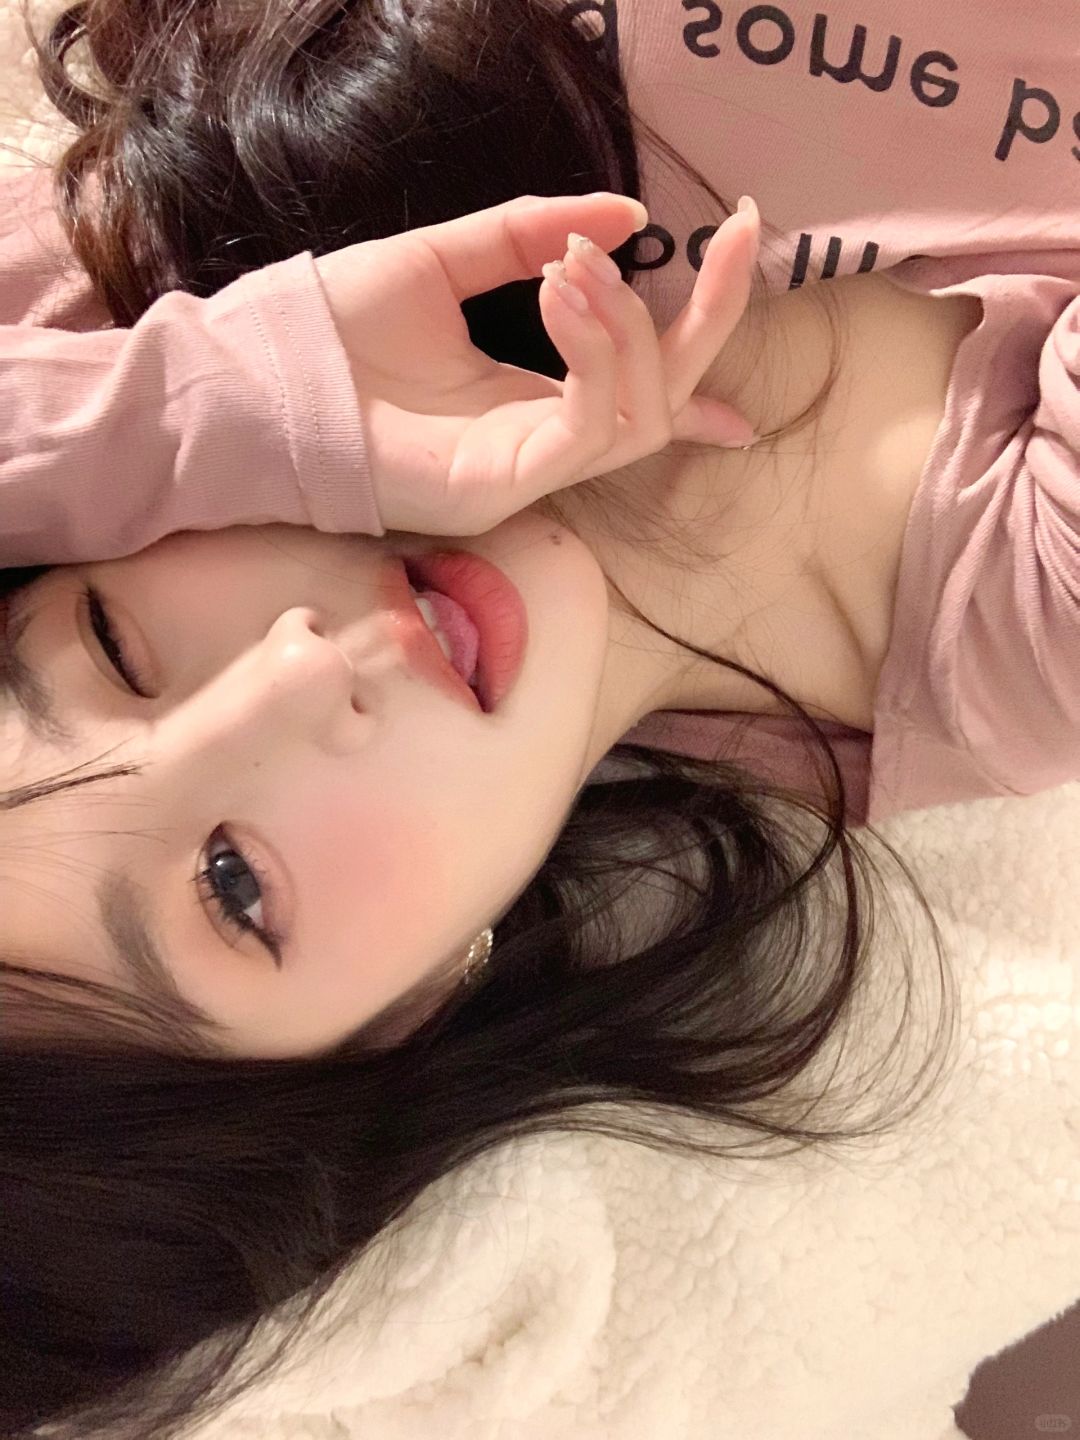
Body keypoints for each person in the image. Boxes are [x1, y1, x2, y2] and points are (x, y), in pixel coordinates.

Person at [0, 1, 1074, 1437]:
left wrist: (238, 399)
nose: (295, 672)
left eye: (109, 644)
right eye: (235, 887)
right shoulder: (1018, 618)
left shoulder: (176, 282)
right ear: (402, 1016)